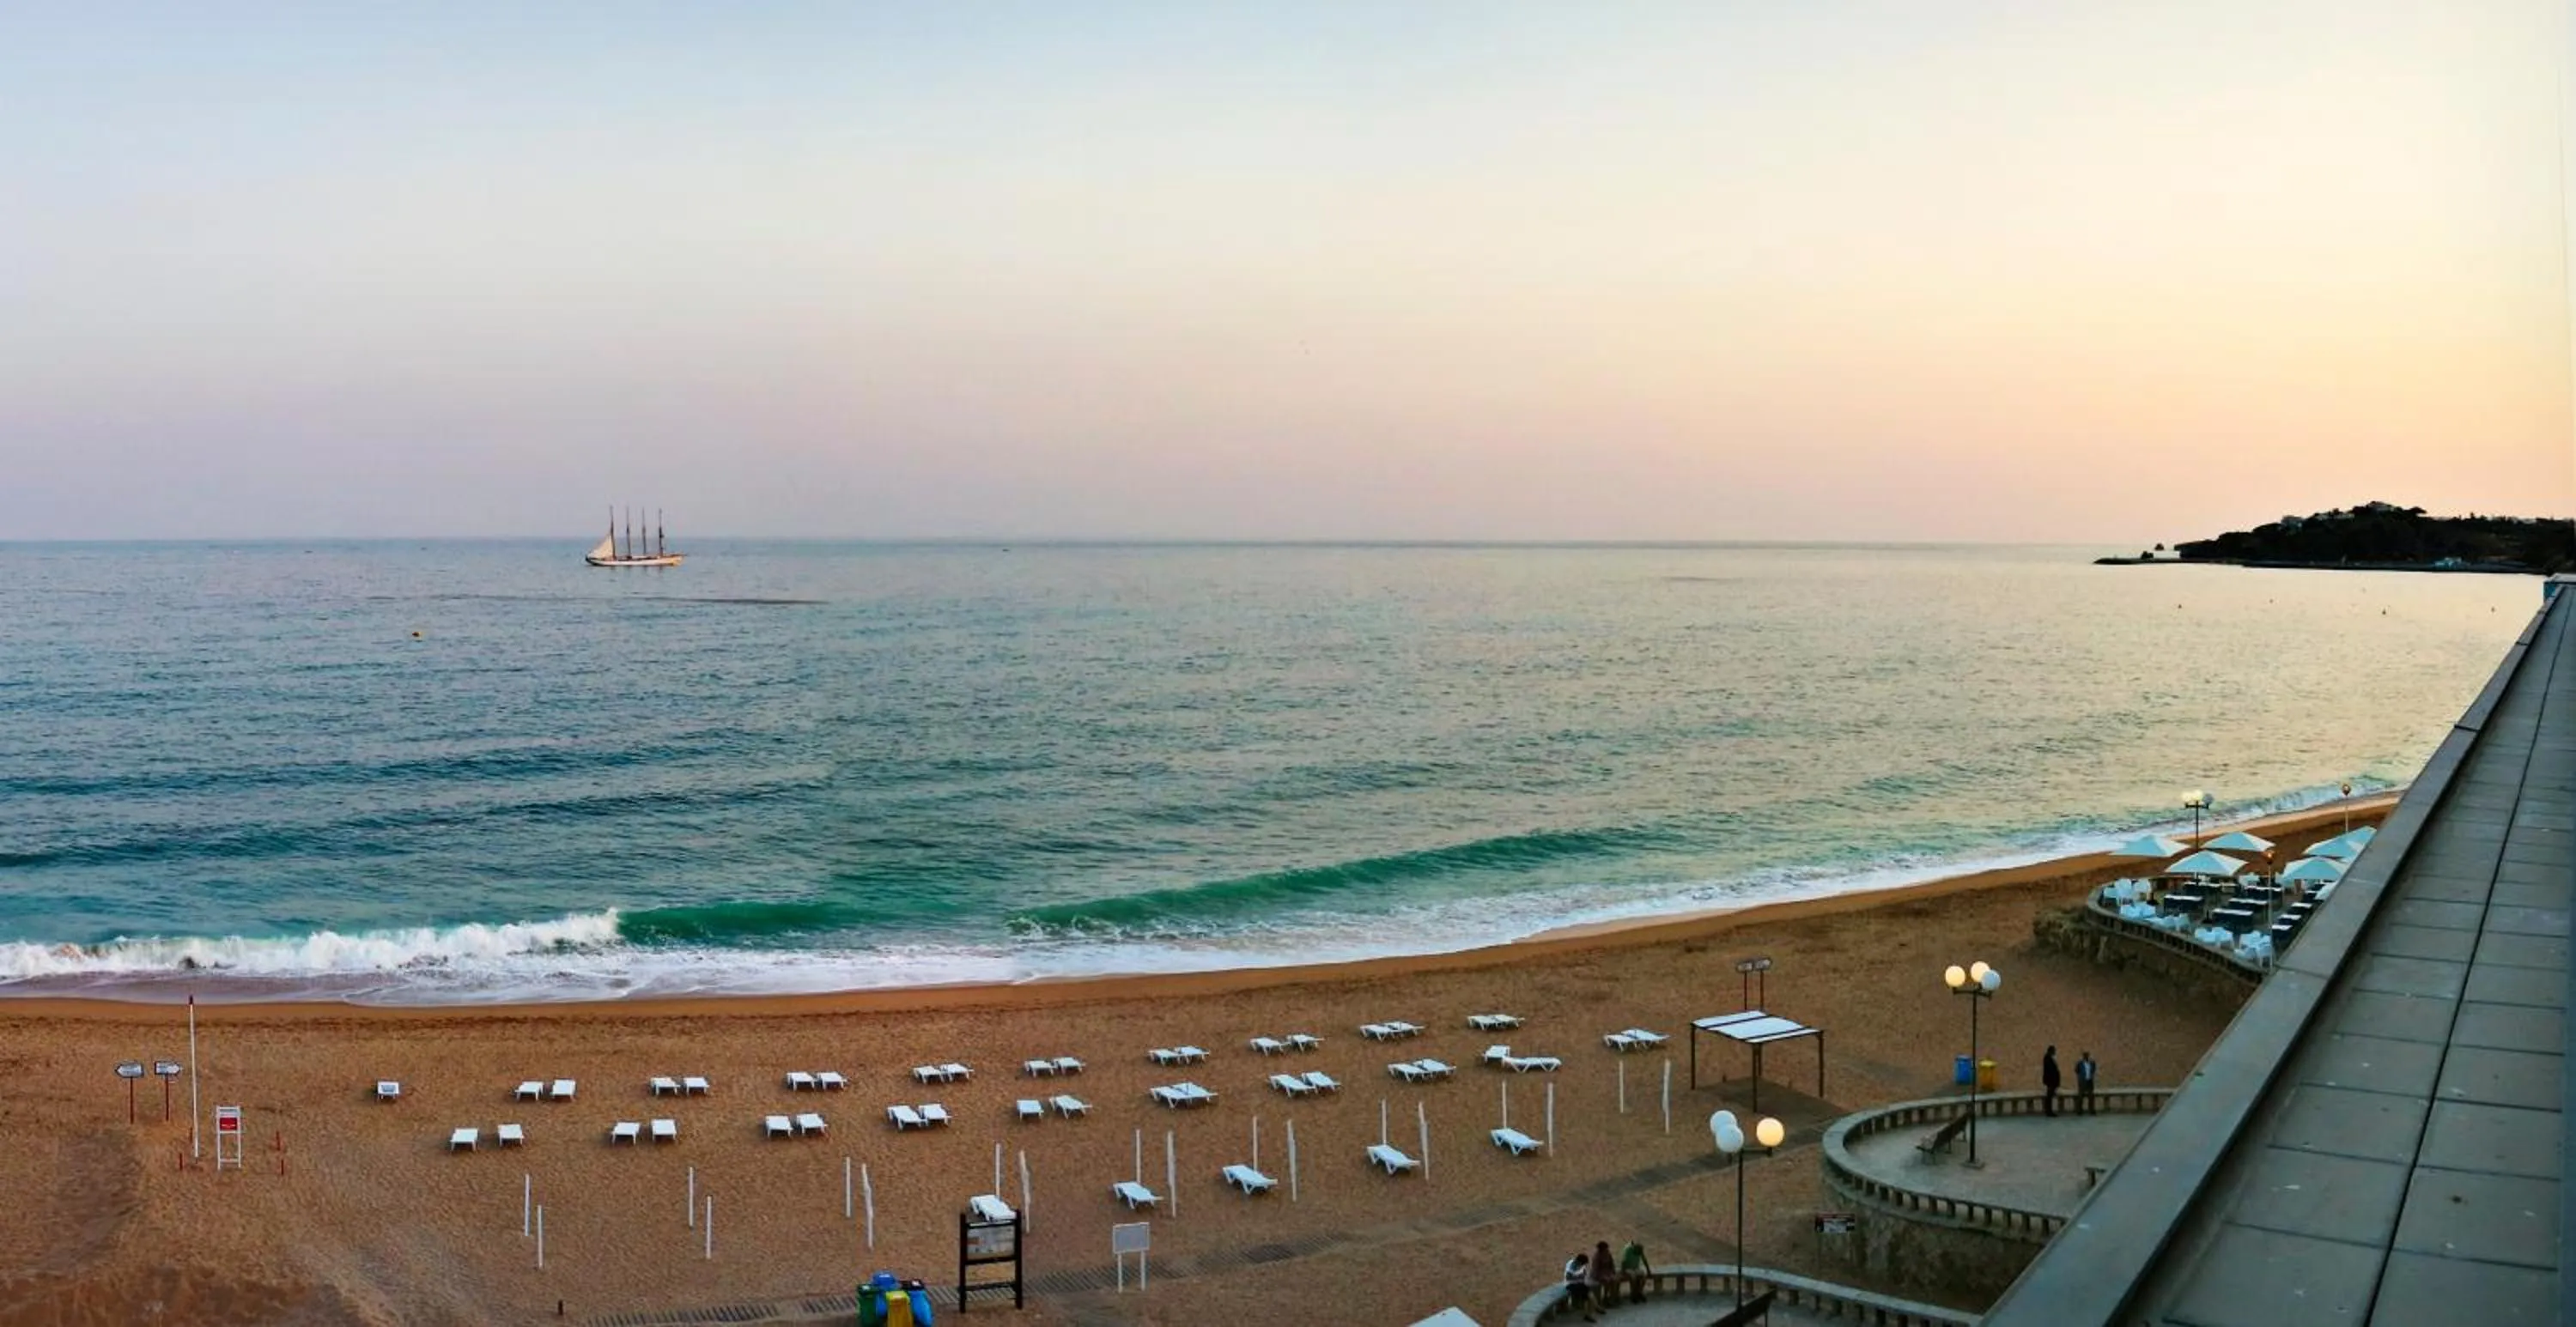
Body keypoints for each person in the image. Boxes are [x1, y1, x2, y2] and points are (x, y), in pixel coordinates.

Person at [1618, 1237, 1653, 1304]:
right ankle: (1633, 1295)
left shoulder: (1639, 1251)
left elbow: (1644, 1260)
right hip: (1628, 1268)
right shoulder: (1628, 1250)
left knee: (1643, 1277)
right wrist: (1623, 1272)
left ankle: (1639, 1292)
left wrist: (1648, 1270)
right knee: (1633, 1277)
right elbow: (1623, 1262)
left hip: (1636, 1268)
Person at [1564, 1250, 1595, 1322]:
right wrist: (1579, 1277)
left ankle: (1588, 1313)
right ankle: (1589, 1314)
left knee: (1589, 1296)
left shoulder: (1581, 1266)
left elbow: (1584, 1275)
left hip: (1580, 1284)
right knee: (1589, 1296)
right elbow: (1568, 1277)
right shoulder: (1571, 1264)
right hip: (1571, 1284)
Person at [1589, 1241, 1618, 1313]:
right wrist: (1597, 1277)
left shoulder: (1608, 1254)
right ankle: (1605, 1298)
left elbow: (1612, 1264)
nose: (1607, 1250)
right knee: (1607, 1281)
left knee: (1614, 1280)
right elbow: (1595, 1268)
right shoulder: (1597, 1256)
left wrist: (1613, 1272)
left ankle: (1611, 1298)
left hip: (1607, 1271)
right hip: (1599, 1273)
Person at [2041, 1045, 2062, 1117]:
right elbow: (2049, 1071)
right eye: (2054, 1051)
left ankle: (2049, 1111)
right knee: (2049, 1097)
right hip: (2051, 1081)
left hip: (2051, 1081)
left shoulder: (2049, 1058)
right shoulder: (2048, 1058)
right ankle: (2049, 1111)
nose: (2055, 1052)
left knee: (2050, 1096)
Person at [2075, 1050, 2098, 1114]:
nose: (2086, 1057)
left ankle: (2091, 1110)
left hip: (2089, 1081)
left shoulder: (2092, 1063)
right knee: (2080, 1096)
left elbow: (2094, 1069)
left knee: (2091, 1096)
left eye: (2087, 1055)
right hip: (2082, 1081)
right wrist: (2081, 1077)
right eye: (2085, 1056)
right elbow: (2076, 1070)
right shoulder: (2079, 1063)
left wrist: (2090, 1075)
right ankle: (2079, 1110)